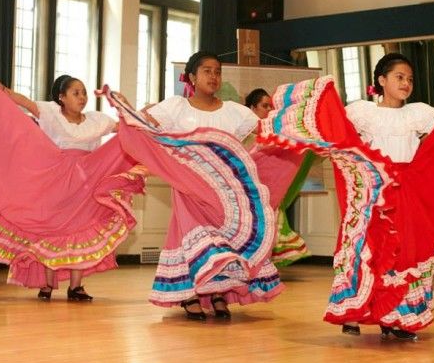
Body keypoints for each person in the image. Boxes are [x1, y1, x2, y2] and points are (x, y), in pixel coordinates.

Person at [258, 54, 434, 341]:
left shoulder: (418, 113)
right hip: (373, 192)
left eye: (409, 78)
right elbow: (338, 129)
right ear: (381, 81)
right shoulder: (363, 112)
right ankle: (355, 312)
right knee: (369, 250)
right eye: (399, 77)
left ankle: (396, 317)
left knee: (405, 253)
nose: (406, 83)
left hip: (407, 190)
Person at [114, 51, 302, 320]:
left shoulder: (234, 112)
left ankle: (217, 293)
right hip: (189, 186)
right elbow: (145, 125)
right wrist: (126, 107)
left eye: (217, 72)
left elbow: (267, 131)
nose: (213, 77)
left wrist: (301, 125)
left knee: (222, 237)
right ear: (192, 77)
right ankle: (191, 294)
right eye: (207, 71)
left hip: (223, 193)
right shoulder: (177, 107)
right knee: (192, 235)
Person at [0, 75, 145, 301]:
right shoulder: (51, 113)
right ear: (61, 97)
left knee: (80, 230)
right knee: (52, 230)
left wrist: (126, 107)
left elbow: (128, 127)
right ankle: (47, 284)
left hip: (86, 183)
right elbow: (22, 102)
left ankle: (76, 286)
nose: (82, 97)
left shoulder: (97, 120)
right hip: (54, 181)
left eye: (83, 92)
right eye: (76, 93)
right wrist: (0, 89)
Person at [245, 87, 313, 265]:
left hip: (269, 195)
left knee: (269, 225)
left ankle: (262, 264)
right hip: (247, 195)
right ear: (252, 108)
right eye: (264, 106)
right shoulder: (243, 132)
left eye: (271, 107)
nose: (268, 110)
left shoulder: (274, 134)